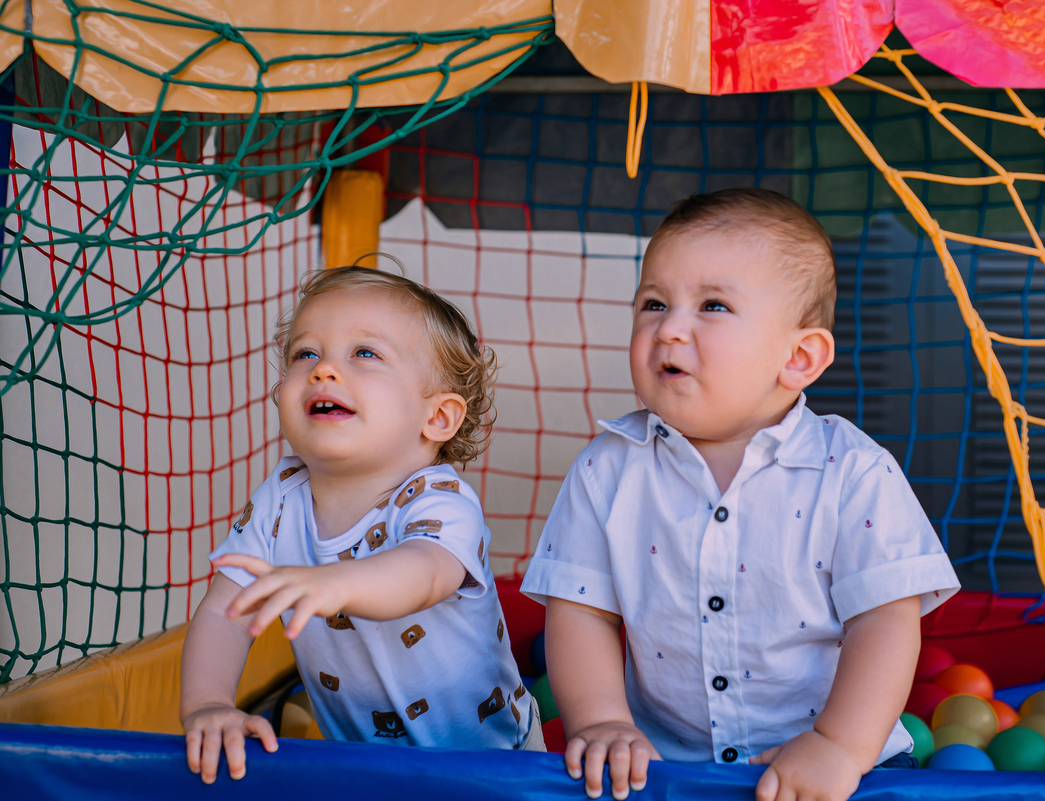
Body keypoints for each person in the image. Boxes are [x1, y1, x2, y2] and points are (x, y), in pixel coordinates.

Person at [522, 188, 960, 801]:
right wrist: (603, 721)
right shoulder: (607, 469)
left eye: (713, 306)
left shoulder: (853, 472)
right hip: (662, 770)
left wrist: (839, 745)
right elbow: (580, 611)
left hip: (848, 768)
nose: (669, 328)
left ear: (799, 357)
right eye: (653, 303)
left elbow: (885, 621)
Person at [180, 266, 539, 785]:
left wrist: (335, 582)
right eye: (305, 353)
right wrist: (207, 704)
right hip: (365, 768)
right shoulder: (281, 499)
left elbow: (425, 572)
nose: (324, 370)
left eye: (364, 354)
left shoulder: (439, 499)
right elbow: (224, 610)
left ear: (437, 418)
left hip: (498, 764)